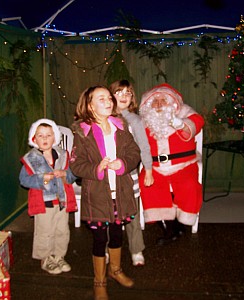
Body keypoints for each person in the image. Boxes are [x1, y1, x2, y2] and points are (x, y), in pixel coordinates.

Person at [70, 86, 141, 300]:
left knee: (117, 233)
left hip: (119, 192)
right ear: (90, 106)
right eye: (101, 99)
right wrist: (96, 169)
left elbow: (134, 152)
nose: (109, 101)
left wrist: (123, 163)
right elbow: (76, 164)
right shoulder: (82, 133)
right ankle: (99, 280)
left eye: (109, 98)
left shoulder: (121, 127)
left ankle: (115, 270)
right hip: (98, 195)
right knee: (100, 238)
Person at [138, 83, 205, 245]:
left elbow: (198, 121)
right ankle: (169, 227)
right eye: (155, 101)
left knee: (189, 186)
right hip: (154, 168)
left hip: (184, 164)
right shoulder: (143, 121)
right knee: (148, 186)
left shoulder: (184, 112)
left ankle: (181, 223)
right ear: (148, 104)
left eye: (163, 100)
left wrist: (181, 124)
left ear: (172, 102)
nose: (159, 104)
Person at [19, 118, 77, 275]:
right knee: (45, 232)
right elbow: (24, 180)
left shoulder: (62, 155)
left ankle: (58, 256)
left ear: (55, 137)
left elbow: (73, 175)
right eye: (40, 135)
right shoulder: (31, 159)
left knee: (62, 231)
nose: (44, 139)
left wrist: (65, 174)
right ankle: (45, 258)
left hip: (62, 201)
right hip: (44, 204)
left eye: (48, 135)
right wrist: (42, 178)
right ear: (34, 138)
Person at [109, 80, 153, 266]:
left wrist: (148, 169)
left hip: (129, 174)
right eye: (119, 92)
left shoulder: (134, 120)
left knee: (132, 212)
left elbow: (143, 147)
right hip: (109, 174)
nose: (125, 96)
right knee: (108, 213)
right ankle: (108, 249)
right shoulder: (103, 118)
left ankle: (136, 249)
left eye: (128, 92)